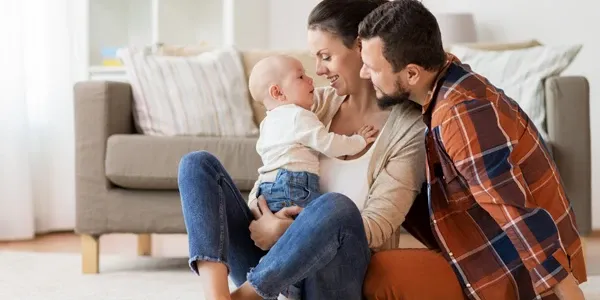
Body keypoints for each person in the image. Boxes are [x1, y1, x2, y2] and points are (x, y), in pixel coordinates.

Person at [176, 0, 426, 299]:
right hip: (273, 262)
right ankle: (217, 295)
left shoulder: (409, 129)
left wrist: (287, 232)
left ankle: (248, 295)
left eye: (326, 56)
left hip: (335, 278)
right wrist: (262, 213)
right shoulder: (312, 102)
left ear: (363, 49)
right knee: (197, 164)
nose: (318, 71)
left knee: (336, 206)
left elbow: (376, 227)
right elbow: (273, 171)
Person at [356, 1, 588, 299]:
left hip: (511, 269)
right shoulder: (446, 79)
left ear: (412, 74)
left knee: (382, 276)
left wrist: (565, 289)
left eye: (372, 68)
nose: (364, 74)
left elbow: (512, 210)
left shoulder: (459, 115)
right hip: (485, 249)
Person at [248, 54, 378, 213]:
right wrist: (359, 141)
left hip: (266, 189)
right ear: (278, 92)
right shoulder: (298, 115)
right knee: (327, 217)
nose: (310, 79)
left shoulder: (267, 124)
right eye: (300, 76)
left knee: (283, 234)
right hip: (293, 187)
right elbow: (329, 144)